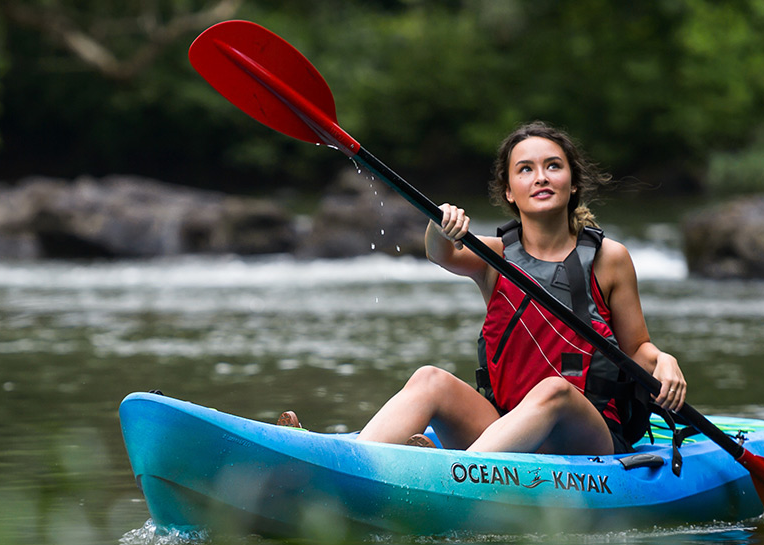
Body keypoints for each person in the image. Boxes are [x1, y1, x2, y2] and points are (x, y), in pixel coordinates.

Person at [283, 121, 687, 455]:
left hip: (586, 434)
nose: (541, 177)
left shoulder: (609, 258)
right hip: (504, 428)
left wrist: (663, 360)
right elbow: (440, 253)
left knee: (555, 391)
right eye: (525, 169)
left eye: (553, 166)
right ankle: (347, 462)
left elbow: (637, 348)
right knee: (430, 378)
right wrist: (440, 224)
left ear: (574, 183)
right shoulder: (493, 256)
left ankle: (451, 478)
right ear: (510, 191)